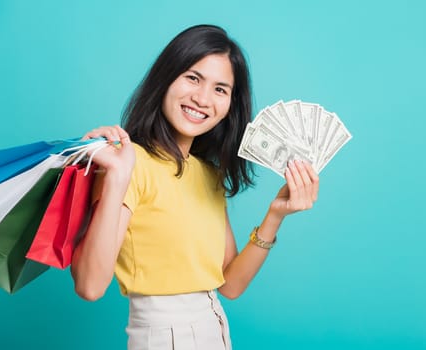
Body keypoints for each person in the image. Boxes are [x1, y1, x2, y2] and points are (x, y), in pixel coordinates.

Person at [70, 24, 319, 350]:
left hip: (215, 330)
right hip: (163, 337)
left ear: (231, 102)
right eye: (192, 77)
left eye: (220, 89)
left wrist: (275, 216)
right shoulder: (131, 164)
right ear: (166, 78)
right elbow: (90, 286)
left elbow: (228, 285)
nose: (202, 99)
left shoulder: (208, 175)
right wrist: (117, 174)